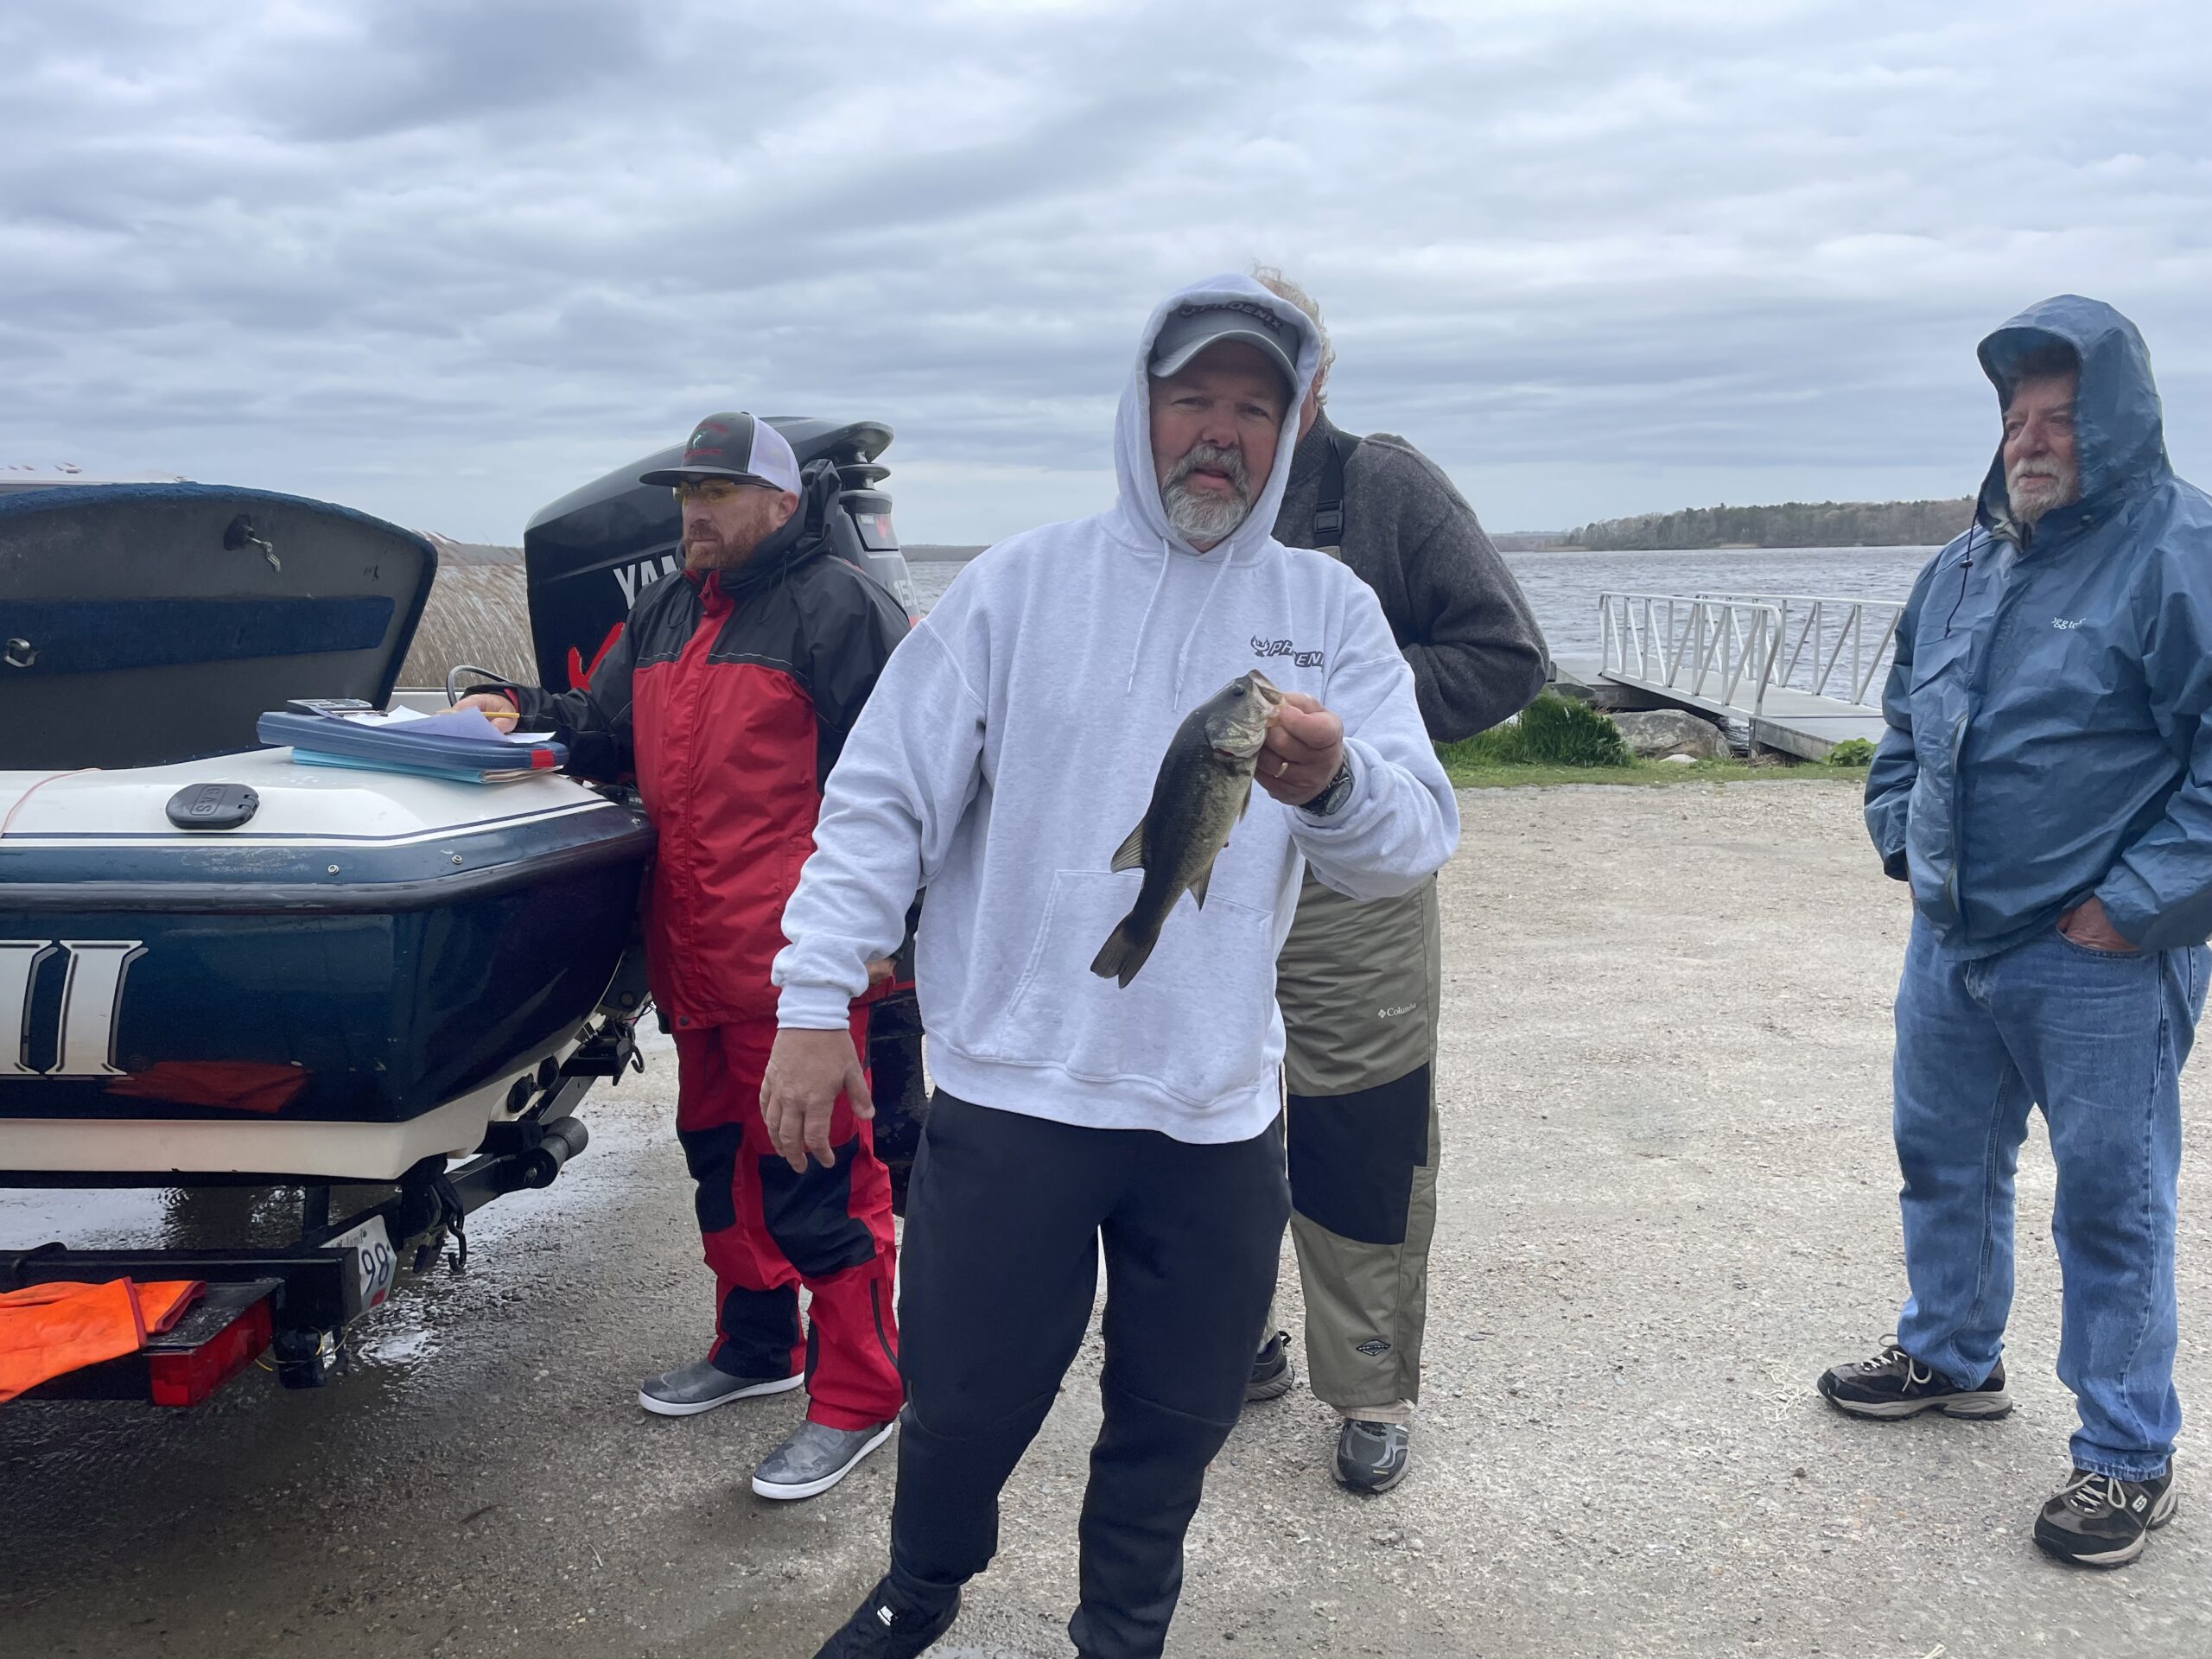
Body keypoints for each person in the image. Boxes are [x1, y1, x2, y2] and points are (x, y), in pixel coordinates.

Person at [759, 276, 1461, 1658]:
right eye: (1193, 397)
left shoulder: (1329, 612)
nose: (1220, 434)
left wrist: (1335, 785)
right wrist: (812, 994)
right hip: (1014, 1094)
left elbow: (1411, 842)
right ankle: (921, 1590)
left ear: (1289, 431)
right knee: (966, 1404)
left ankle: (1125, 1627)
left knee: (1177, 1413)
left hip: (1213, 1112)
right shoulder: (1017, 588)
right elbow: (880, 802)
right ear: (1139, 408)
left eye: (1253, 408)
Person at [1821, 296, 2212, 1569]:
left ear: (2119, 419)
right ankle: (1950, 1355)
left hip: (2100, 956)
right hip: (1953, 939)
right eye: (2015, 418)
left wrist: (2134, 906)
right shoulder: (1963, 563)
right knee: (1941, 1160)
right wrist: (1903, 838)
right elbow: (1903, 720)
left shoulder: (2183, 551)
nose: (2031, 440)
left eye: (2059, 416)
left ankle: (2127, 1455)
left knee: (2111, 1206)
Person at [455, 411, 910, 1502]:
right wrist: (514, 710)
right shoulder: (664, 608)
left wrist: (881, 951)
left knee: (821, 1185)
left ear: (781, 502)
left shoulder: (844, 608)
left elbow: (909, 789)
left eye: (715, 493)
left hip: (804, 969)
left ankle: (861, 1395)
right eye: (684, 494)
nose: (692, 513)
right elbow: (606, 730)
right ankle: (757, 1346)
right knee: (722, 1164)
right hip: (695, 959)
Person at [1241, 266, 1546, 1493]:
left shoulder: (1383, 485)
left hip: (1353, 871)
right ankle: (1235, 1333)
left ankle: (1369, 1385)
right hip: (1220, 864)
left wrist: (1350, 720)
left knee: (1360, 1123)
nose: (1237, 408)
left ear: (1316, 380)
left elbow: (1508, 653)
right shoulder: (1170, 507)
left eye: (1273, 369)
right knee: (1210, 1107)